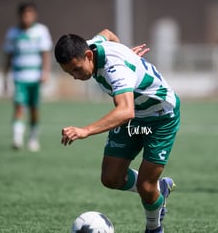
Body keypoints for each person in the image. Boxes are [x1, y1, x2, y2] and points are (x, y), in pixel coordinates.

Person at [54, 29, 180, 233]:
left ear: (88, 56)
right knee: (111, 178)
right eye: (69, 73)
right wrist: (127, 55)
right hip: (135, 113)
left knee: (145, 187)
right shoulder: (89, 45)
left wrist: (85, 130)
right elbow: (108, 34)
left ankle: (154, 228)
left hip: (160, 117)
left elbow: (125, 111)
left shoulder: (115, 68)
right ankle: (161, 189)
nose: (75, 77)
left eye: (76, 70)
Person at [3, 2, 53, 151]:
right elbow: (8, 57)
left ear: (34, 15)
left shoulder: (41, 31)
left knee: (34, 110)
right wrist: (4, 78)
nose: (27, 17)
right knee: (19, 107)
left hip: (35, 78)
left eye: (30, 13)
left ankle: (33, 138)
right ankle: (17, 139)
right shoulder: (13, 33)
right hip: (19, 77)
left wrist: (45, 73)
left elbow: (45, 54)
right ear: (20, 16)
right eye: (24, 14)